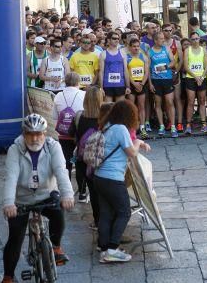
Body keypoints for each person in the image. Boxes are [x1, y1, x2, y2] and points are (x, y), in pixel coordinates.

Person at [0, 114, 74, 283]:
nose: (35, 138)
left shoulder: (53, 147)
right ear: (24, 134)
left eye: (39, 134)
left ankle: (56, 246)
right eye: (30, 134)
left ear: (44, 133)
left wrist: (68, 194)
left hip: (46, 193)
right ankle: (8, 278)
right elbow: (11, 177)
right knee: (15, 240)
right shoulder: (15, 150)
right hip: (22, 198)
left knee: (58, 212)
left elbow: (61, 171)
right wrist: (9, 203)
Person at [94, 100, 141, 263]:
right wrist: (139, 142)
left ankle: (104, 247)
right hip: (113, 178)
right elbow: (132, 152)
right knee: (124, 212)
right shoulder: (120, 129)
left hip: (99, 176)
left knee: (106, 214)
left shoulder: (107, 126)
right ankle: (113, 249)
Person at [68, 85, 104, 210]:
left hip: (82, 158)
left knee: (92, 192)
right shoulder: (105, 118)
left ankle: (83, 195)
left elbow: (70, 133)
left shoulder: (78, 116)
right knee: (98, 193)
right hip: (100, 159)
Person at [53, 72, 85, 178]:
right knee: (80, 162)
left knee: (66, 161)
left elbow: (54, 116)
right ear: (78, 82)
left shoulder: (58, 96)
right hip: (79, 134)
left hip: (63, 134)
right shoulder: (83, 94)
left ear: (65, 82)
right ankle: (82, 192)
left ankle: (67, 189)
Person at [148, 31, 177, 138]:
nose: (163, 40)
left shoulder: (166, 49)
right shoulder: (150, 52)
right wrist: (150, 84)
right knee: (158, 103)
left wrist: (165, 67)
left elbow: (173, 62)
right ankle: (161, 126)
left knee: (169, 102)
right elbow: (148, 69)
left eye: (163, 38)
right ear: (155, 40)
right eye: (161, 39)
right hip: (156, 81)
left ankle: (173, 125)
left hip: (167, 79)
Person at [184, 32, 207, 134]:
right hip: (191, 78)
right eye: (193, 39)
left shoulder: (203, 50)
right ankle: (188, 124)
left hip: (201, 78)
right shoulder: (187, 50)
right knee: (190, 101)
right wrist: (196, 77)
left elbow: (206, 66)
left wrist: (201, 77)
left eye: (197, 39)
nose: (195, 41)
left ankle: (204, 124)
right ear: (190, 40)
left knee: (202, 101)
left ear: (199, 39)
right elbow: (186, 66)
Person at [126, 38, 149, 138]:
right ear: (130, 47)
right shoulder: (127, 58)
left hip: (141, 83)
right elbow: (126, 73)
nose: (136, 48)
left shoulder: (143, 56)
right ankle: (132, 128)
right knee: (131, 107)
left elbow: (146, 71)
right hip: (132, 84)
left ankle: (142, 127)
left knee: (141, 106)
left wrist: (142, 84)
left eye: (137, 46)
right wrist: (134, 84)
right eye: (134, 46)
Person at [163, 24, 184, 132]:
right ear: (162, 31)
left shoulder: (177, 43)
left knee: (177, 98)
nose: (168, 32)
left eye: (170, 30)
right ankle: (171, 122)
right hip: (163, 75)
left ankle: (179, 123)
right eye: (166, 30)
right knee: (167, 100)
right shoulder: (160, 43)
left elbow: (181, 60)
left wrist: (176, 71)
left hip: (174, 74)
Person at [99, 32, 131, 102]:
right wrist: (101, 88)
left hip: (120, 85)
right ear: (108, 40)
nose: (117, 40)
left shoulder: (122, 53)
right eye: (114, 38)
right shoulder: (103, 54)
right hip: (107, 85)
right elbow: (101, 72)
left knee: (120, 109)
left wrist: (128, 86)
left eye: (118, 38)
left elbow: (125, 70)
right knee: (108, 109)